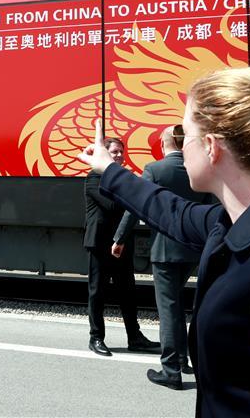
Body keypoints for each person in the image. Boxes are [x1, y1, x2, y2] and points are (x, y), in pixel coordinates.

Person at [78, 67, 250, 416]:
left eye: (186, 134)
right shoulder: (231, 223)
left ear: (212, 147)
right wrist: (110, 170)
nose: (182, 145)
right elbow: (171, 212)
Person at [112, 124, 210, 390]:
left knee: (168, 309)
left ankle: (171, 371)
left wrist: (120, 238)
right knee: (178, 306)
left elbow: (135, 204)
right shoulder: (194, 170)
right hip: (192, 248)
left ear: (163, 144)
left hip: (165, 251)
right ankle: (182, 359)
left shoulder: (155, 170)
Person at [84, 136, 159, 356]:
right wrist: (133, 194)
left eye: (121, 152)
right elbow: (112, 204)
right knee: (97, 292)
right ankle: (96, 337)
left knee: (128, 292)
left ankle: (135, 337)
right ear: (105, 154)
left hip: (121, 243)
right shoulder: (93, 178)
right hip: (99, 243)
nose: (119, 156)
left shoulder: (123, 179)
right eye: (114, 152)